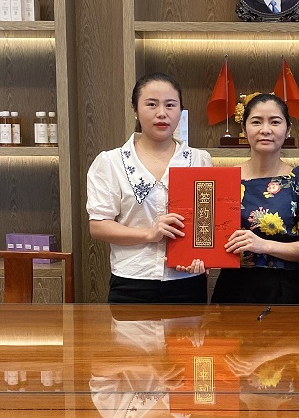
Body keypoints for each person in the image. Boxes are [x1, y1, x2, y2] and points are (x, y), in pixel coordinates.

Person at [87, 73, 212, 303]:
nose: (162, 113)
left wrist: (206, 256)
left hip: (187, 280)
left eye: (170, 105)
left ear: (180, 111)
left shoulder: (199, 159)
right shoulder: (111, 162)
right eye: (152, 104)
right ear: (135, 109)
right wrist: (149, 234)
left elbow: (208, 221)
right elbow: (98, 226)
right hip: (132, 281)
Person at [211, 94, 299, 305]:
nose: (265, 130)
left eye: (275, 122)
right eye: (256, 122)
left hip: (284, 289)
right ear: (244, 128)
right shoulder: (224, 179)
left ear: (288, 129)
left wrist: (264, 245)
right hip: (232, 286)